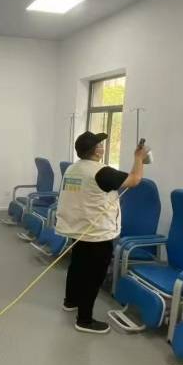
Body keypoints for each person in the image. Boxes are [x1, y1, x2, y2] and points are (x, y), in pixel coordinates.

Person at [55, 131, 149, 334]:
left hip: (78, 229)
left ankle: (70, 301)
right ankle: (84, 320)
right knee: (93, 277)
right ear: (96, 151)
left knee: (77, 267)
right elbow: (135, 180)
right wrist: (139, 158)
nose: (103, 147)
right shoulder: (101, 172)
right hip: (97, 234)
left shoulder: (73, 168)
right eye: (100, 145)